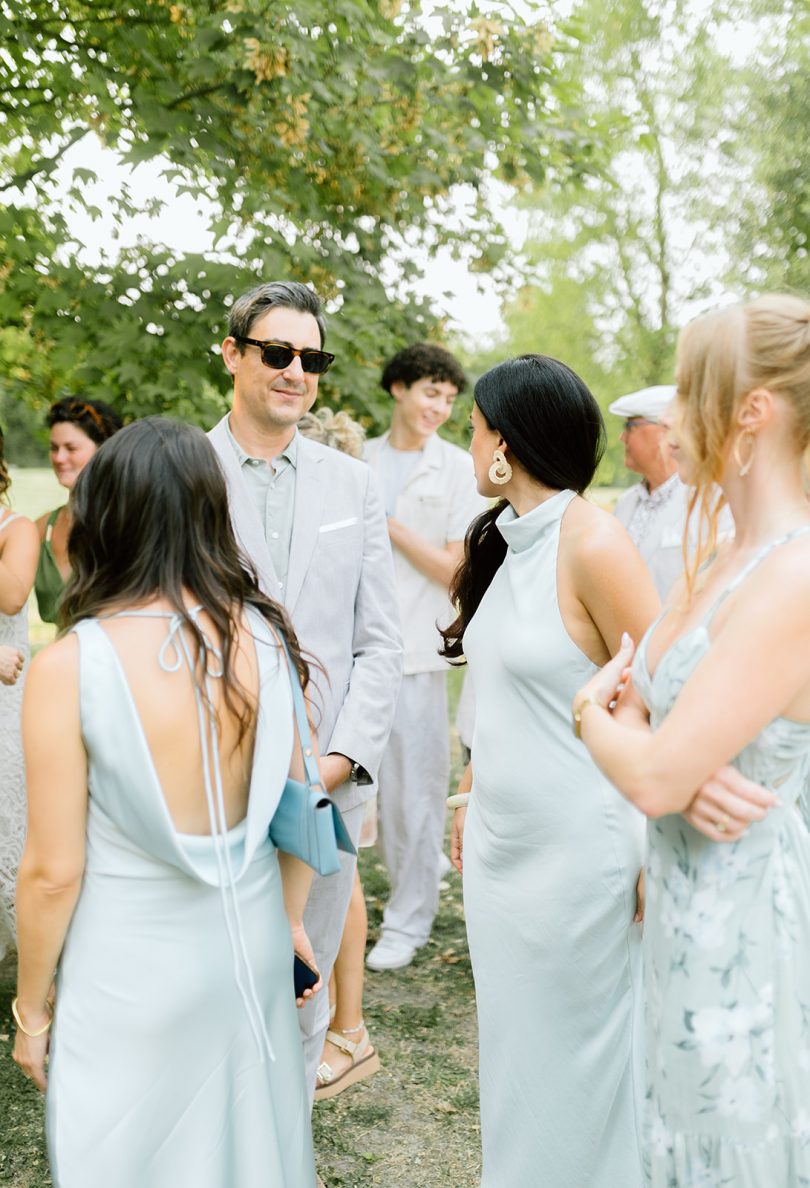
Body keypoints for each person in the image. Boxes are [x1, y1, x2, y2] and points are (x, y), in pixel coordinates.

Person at [12, 418, 322, 1187]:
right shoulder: (264, 637)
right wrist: (287, 923)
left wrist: (30, 1010)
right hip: (248, 952)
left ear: (106, 515)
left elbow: (53, 872)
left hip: (128, 972)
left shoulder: (70, 664)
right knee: (244, 1157)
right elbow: (300, 806)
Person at [574, 294, 810, 1187]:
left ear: (751, 409)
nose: (674, 414)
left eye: (691, 387)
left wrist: (593, 716)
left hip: (747, 920)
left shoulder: (793, 572)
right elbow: (651, 718)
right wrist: (644, 734)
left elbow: (653, 775)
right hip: (680, 908)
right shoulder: (723, 559)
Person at [441, 354, 659, 1187]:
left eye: (475, 426)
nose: (469, 442)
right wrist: (471, 790)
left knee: (583, 1066)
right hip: (503, 855)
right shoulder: (506, 538)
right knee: (518, 1059)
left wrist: (654, 842)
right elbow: (496, 688)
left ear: (508, 441)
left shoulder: (594, 540)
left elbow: (661, 691)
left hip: (582, 857)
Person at [208, 281, 402, 1094]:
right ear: (232, 354)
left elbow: (380, 644)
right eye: (277, 352)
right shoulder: (186, 471)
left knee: (303, 985)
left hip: (326, 785)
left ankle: (286, 1152)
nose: (296, 371)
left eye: (311, 357)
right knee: (216, 986)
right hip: (212, 779)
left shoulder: (352, 484)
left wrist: (337, 761)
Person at [363, 343, 487, 972]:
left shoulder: (456, 470)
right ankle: (403, 883)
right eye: (429, 392)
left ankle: (409, 919)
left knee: (416, 794)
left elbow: (451, 568)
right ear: (398, 390)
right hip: (359, 650)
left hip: (418, 650)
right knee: (371, 794)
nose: (439, 406)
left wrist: (386, 525)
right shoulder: (358, 459)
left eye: (447, 396)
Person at [610, 384, 733, 599]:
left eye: (630, 426)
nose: (622, 437)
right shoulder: (625, 503)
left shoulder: (714, 501)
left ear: (663, 430)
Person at [0, 426, 39, 960]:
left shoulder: (18, 528)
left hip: (7, 710)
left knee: (12, 840)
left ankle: (42, 979)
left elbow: (11, 597)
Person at [35, 398, 122, 624]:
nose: (58, 458)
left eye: (71, 448)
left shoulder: (123, 521)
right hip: (61, 655)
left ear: (103, 450)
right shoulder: (42, 527)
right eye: (54, 448)